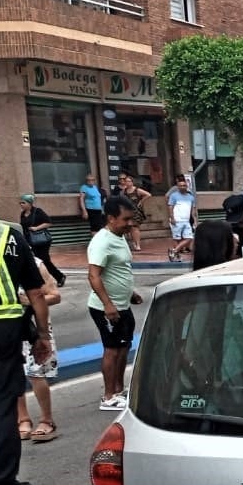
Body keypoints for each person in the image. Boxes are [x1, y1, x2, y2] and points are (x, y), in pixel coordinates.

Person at [0, 190, 53, 485]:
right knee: (3, 407)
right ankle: (2, 482)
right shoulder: (12, 235)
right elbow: (36, 293)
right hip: (6, 331)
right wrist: (41, 335)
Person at [86, 197, 142, 411]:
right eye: (125, 219)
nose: (129, 223)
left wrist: (131, 293)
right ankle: (108, 396)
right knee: (112, 349)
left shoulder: (119, 237)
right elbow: (94, 276)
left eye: (131, 219)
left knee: (124, 346)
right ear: (110, 218)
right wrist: (108, 305)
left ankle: (119, 390)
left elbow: (118, 270)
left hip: (122, 304)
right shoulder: (102, 241)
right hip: (106, 308)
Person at [16, 278, 61, 444]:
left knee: (36, 373)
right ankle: (23, 419)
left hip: (36, 325)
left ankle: (47, 420)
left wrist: (30, 301)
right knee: (15, 372)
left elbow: (55, 296)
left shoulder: (36, 264)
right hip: (11, 325)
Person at [18, 195, 64, 286]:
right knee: (34, 260)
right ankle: (40, 280)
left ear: (30, 203)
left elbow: (49, 223)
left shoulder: (38, 211)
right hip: (29, 240)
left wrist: (36, 228)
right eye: (20, 203)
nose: (21, 204)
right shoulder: (22, 214)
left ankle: (59, 277)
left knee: (44, 260)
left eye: (23, 202)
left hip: (42, 241)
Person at [116, 172, 151, 252]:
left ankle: (137, 245)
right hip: (127, 211)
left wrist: (141, 202)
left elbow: (148, 194)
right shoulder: (123, 192)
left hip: (136, 211)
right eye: (126, 181)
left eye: (129, 181)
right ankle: (133, 243)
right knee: (128, 228)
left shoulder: (137, 190)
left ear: (132, 182)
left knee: (134, 227)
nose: (127, 183)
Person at [166, 176, 196, 262]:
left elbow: (192, 210)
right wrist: (172, 218)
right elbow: (170, 207)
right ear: (178, 187)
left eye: (184, 185)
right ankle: (177, 256)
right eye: (181, 185)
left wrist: (194, 220)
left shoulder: (191, 197)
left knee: (189, 238)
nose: (182, 187)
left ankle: (174, 251)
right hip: (177, 220)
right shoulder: (174, 196)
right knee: (177, 239)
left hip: (186, 221)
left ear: (187, 186)